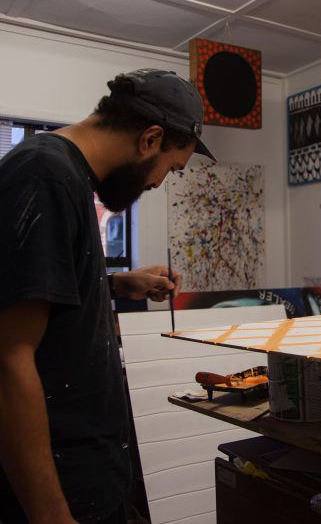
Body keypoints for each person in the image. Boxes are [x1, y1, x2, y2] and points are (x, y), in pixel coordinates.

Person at [0, 69, 215, 524]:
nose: (158, 183)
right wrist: (52, 516)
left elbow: (40, 291)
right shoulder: (45, 176)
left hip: (88, 479)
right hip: (59, 494)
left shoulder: (65, 175)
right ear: (150, 139)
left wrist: (116, 283)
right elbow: (7, 358)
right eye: (171, 168)